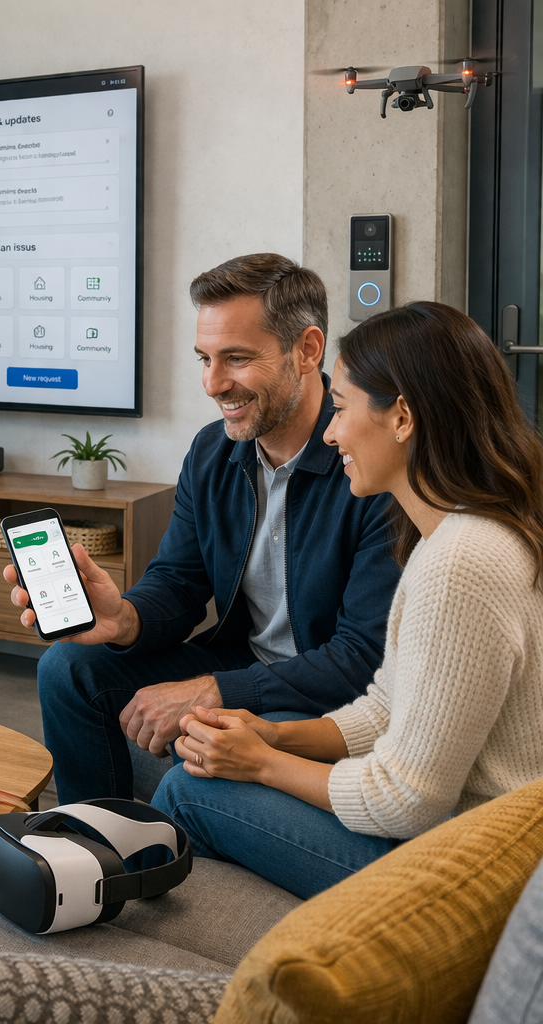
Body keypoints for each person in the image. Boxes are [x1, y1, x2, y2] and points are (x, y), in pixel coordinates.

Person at [150, 301, 543, 899]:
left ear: (402, 417)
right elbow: (387, 706)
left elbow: (405, 800)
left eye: (340, 409)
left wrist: (260, 764)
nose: (330, 433)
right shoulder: (458, 534)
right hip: (474, 841)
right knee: (262, 732)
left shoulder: (460, 563)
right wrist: (275, 737)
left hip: (468, 874)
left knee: (189, 789)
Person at [11, 254, 402, 803]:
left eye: (237, 358)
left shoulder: (369, 463)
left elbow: (363, 658)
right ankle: (93, 845)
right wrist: (124, 617)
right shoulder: (212, 450)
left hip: (326, 694)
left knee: (192, 759)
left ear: (308, 350)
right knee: (67, 667)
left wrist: (215, 691)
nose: (214, 383)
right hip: (245, 658)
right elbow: (179, 579)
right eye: (205, 358)